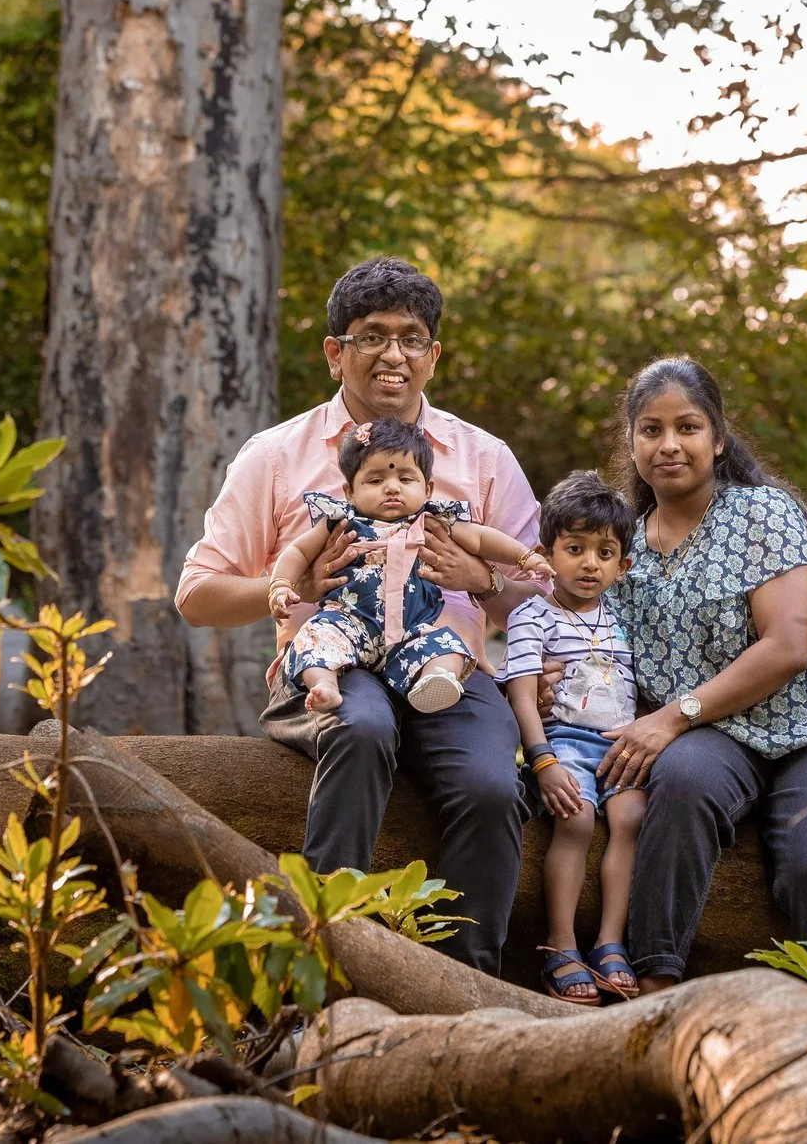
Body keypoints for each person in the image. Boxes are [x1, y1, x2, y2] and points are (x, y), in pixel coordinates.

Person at [176, 258, 540, 975]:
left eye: (411, 338)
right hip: (331, 665)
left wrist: (482, 578)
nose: (393, 355)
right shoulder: (277, 455)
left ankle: (465, 986)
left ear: (434, 355)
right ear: (335, 351)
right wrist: (292, 583)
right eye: (372, 336)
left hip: (445, 665)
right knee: (364, 726)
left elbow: (545, 591)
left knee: (496, 786)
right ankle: (322, 952)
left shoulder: (483, 457)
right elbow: (196, 593)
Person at [597, 356, 807, 991]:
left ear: (718, 437)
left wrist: (672, 718)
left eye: (688, 427)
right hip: (718, 738)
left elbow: (787, 646)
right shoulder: (620, 546)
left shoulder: (762, 512)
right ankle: (654, 989)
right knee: (679, 779)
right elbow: (579, 625)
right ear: (631, 441)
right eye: (650, 430)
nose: (669, 445)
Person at [271, 417, 548, 715]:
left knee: (448, 646)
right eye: (375, 481)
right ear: (349, 491)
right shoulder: (339, 520)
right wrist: (281, 584)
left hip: (414, 629)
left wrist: (524, 556)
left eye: (405, 479)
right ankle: (325, 685)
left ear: (428, 488)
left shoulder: (431, 521)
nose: (392, 488)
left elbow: (482, 539)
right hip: (349, 624)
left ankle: (435, 679)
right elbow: (297, 551)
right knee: (316, 637)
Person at [499, 471, 644, 1004]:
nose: (590, 563)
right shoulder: (531, 615)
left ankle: (610, 942)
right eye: (575, 548)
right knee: (577, 818)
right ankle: (560, 945)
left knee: (630, 817)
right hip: (560, 741)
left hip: (620, 745)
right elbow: (520, 688)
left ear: (623, 565)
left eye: (605, 553)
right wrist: (541, 759)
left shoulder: (625, 618)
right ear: (546, 554)